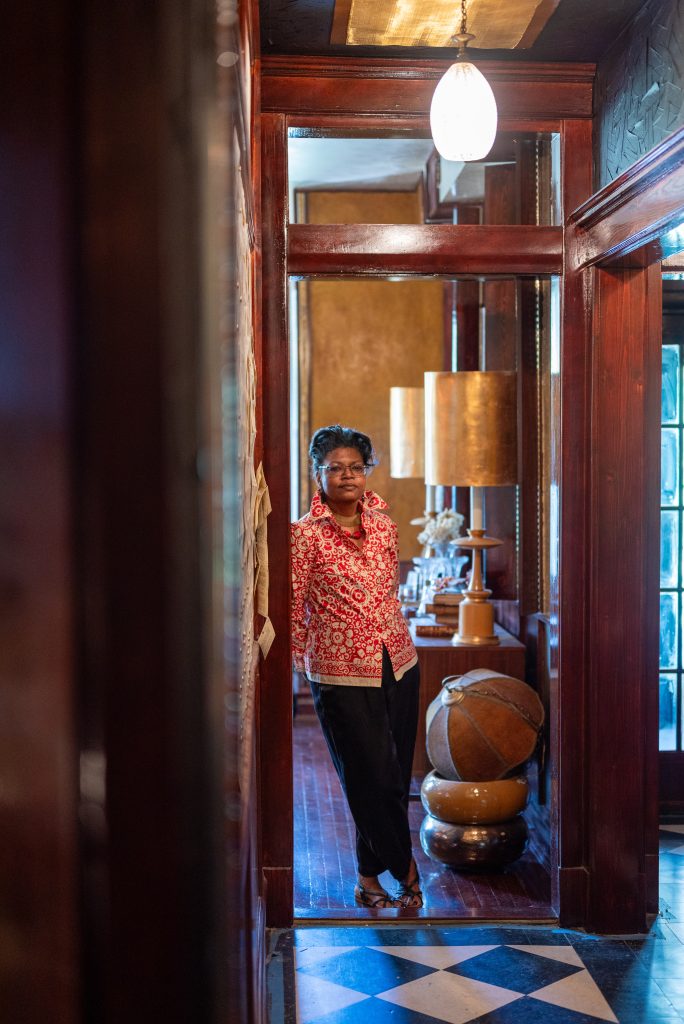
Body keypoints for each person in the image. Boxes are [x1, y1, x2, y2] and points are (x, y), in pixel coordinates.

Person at [291, 424, 423, 909]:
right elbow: (291, 609)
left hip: (398, 662)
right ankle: (406, 868)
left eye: (355, 467)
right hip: (339, 672)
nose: (346, 476)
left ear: (366, 472)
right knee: (368, 775)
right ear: (318, 474)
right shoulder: (304, 537)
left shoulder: (385, 524)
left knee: (392, 774)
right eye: (335, 468)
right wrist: (299, 667)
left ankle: (369, 880)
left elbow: (389, 591)